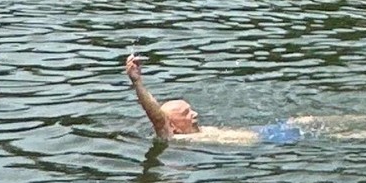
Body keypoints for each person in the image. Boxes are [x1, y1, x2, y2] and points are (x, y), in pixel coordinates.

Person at [124, 54, 304, 145]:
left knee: (306, 121)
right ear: (173, 126)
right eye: (187, 113)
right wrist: (137, 82)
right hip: (270, 141)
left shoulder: (198, 131)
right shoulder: (175, 138)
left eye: (191, 109)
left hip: (266, 133)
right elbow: (157, 116)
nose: (195, 113)